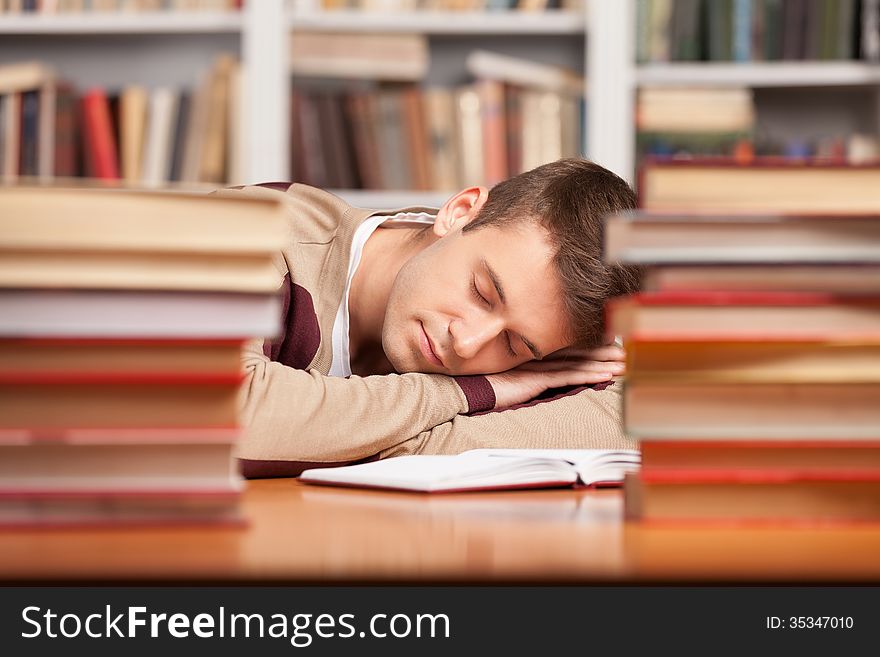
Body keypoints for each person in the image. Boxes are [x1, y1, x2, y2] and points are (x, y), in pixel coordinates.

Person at [215, 158, 642, 478]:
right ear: (461, 212)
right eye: (482, 292)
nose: (468, 343)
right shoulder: (246, 233)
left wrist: (316, 434)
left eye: (514, 345)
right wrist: (474, 393)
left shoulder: (540, 337)